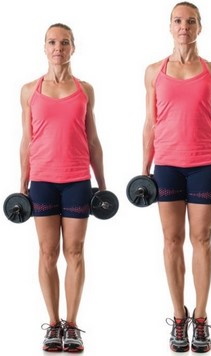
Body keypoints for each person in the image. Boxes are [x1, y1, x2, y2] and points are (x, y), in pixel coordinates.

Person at [142, 2, 211, 353]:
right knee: (171, 240)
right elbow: (150, 124)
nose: (184, 26)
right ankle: (178, 317)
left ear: (200, 27)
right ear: (170, 26)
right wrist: (144, 169)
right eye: (178, 21)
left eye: (191, 21)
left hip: (202, 166)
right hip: (167, 165)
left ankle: (200, 316)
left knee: (203, 239)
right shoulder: (154, 71)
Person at [20, 23, 107, 352]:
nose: (59, 47)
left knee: (74, 252)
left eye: (65, 42)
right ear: (45, 48)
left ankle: (72, 325)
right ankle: (52, 324)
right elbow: (26, 140)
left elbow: (93, 140)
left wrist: (103, 184)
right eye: (53, 42)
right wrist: (22, 183)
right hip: (42, 181)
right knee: (47, 253)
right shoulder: (30, 90)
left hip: (76, 181)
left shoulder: (85, 89)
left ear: (73, 48)